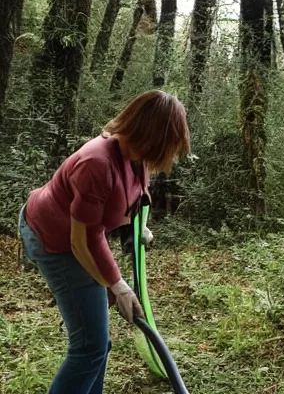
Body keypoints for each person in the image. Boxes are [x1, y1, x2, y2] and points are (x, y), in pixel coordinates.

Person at [18, 90, 190, 394]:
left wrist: (139, 229)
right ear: (151, 136)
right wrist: (118, 285)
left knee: (97, 344)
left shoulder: (137, 158)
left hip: (78, 239)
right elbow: (84, 241)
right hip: (53, 240)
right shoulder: (96, 163)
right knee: (89, 346)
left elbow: (135, 197)